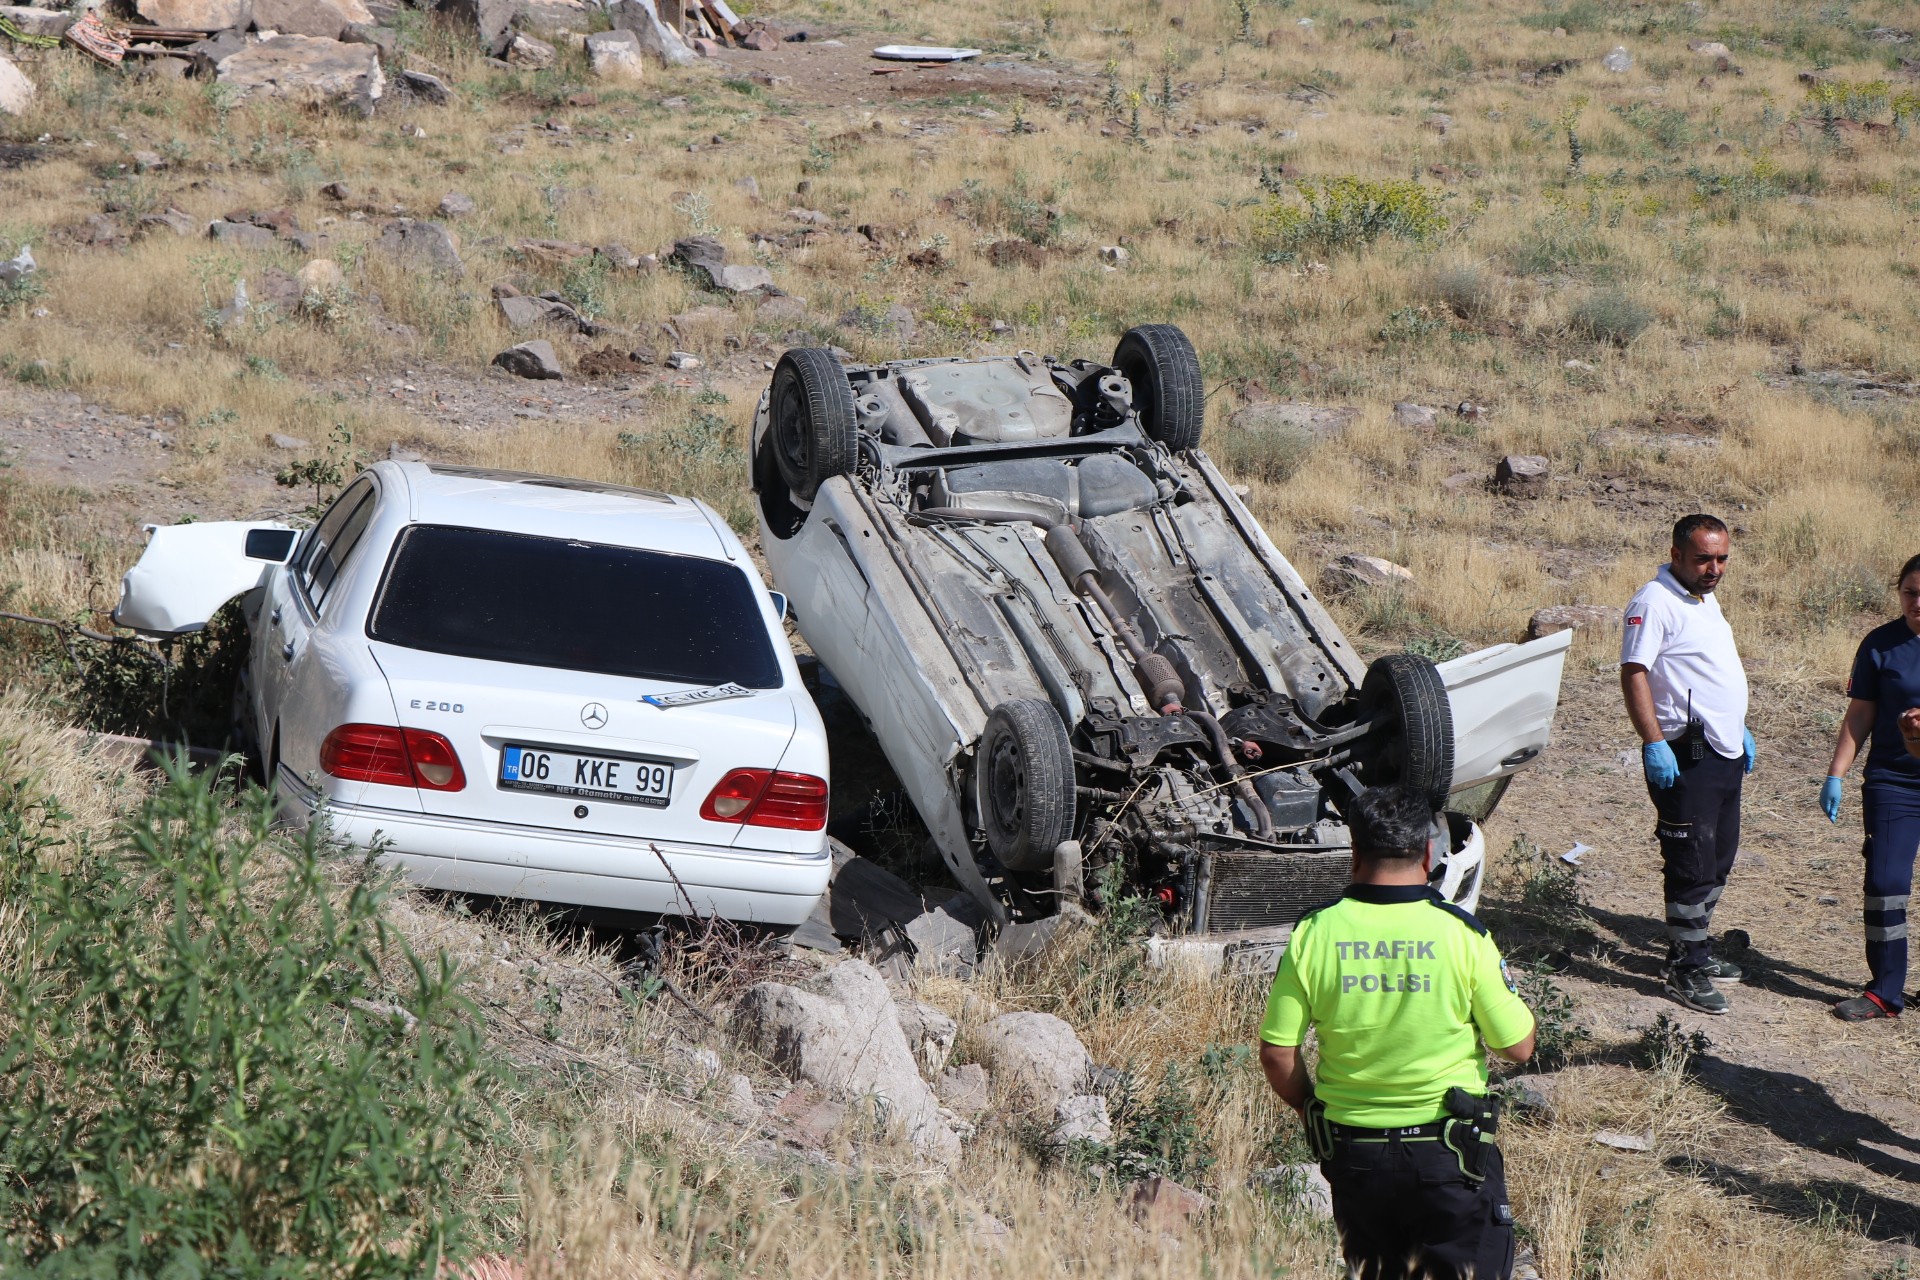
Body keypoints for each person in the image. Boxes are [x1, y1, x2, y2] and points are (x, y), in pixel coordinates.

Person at [1258, 785, 1535, 1280]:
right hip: (1452, 1156)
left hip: (1354, 1155)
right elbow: (1517, 1047)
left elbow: (1278, 1054)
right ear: (1430, 853)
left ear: (1355, 852)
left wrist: (1308, 1106)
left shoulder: (1314, 934)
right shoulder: (1463, 935)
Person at [1620, 513, 1755, 1016]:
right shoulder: (1653, 602)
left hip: (1723, 752)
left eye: (1721, 558)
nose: (1714, 568)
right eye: (1703, 558)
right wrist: (1653, 742)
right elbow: (1634, 672)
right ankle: (1686, 967)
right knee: (1690, 864)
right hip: (1684, 755)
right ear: (1676, 555)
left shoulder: (1703, 596)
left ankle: (1696, 945)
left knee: (1719, 857)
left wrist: (1736, 723)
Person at [1819, 554, 1920, 1021]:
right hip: (1894, 782)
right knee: (1885, 884)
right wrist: (1836, 773)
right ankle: (1884, 992)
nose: (1918, 602)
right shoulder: (1881, 644)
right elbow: (1859, 715)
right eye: (1910, 593)